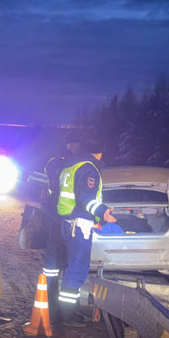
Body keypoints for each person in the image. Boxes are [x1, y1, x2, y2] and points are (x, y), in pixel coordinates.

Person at [56, 136, 116, 325]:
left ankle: (70, 309)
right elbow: (86, 197)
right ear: (100, 152)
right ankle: (67, 314)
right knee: (77, 269)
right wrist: (102, 212)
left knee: (73, 267)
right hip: (79, 225)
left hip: (68, 221)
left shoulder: (70, 165)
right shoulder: (89, 167)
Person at [40, 155, 66, 324]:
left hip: (56, 225)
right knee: (62, 265)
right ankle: (60, 311)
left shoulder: (53, 169)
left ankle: (51, 304)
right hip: (63, 225)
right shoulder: (64, 170)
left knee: (53, 266)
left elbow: (50, 207)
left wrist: (45, 201)